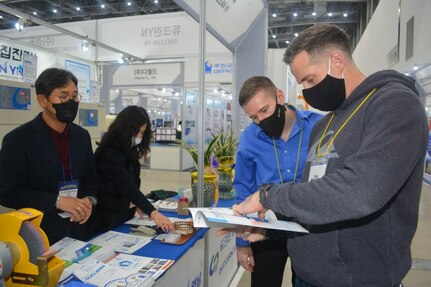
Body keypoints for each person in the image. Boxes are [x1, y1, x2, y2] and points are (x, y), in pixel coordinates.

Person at [220, 23, 428, 287]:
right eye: (302, 83)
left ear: (337, 61)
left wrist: (269, 196)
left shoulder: (393, 105)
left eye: (310, 79)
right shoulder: (325, 124)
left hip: (358, 279)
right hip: (309, 275)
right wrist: (269, 224)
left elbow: (360, 191)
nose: (307, 90)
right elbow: (316, 197)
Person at [234, 76, 322, 287]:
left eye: (265, 110)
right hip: (265, 231)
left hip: (311, 229)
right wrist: (241, 243)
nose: (261, 121)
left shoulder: (319, 125)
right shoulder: (249, 138)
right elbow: (243, 188)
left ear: (279, 97)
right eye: (254, 117)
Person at [0, 68, 98, 244]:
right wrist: (57, 201)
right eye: (63, 96)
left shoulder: (81, 136)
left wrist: (89, 200)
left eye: (75, 96)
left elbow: (91, 176)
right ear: (42, 100)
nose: (71, 102)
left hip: (79, 227)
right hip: (38, 235)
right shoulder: (18, 140)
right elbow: (7, 192)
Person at [90, 105, 175, 234]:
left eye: (142, 133)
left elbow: (134, 183)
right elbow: (126, 185)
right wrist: (153, 212)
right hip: (105, 219)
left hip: (124, 215)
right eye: (138, 132)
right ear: (126, 128)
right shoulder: (109, 152)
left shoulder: (129, 150)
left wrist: (138, 204)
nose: (139, 136)